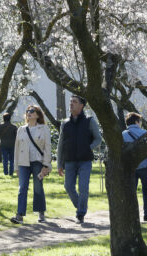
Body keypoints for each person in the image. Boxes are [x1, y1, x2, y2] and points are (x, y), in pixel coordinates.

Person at [57, 94, 103, 224]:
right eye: (70, 101)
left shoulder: (89, 121)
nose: (71, 104)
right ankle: (81, 206)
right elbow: (61, 145)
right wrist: (59, 164)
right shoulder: (65, 123)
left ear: (82, 105)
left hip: (85, 160)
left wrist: (89, 148)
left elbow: (98, 139)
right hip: (69, 161)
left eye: (74, 102)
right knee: (68, 186)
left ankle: (80, 213)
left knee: (83, 187)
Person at [10, 105, 52, 224]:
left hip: (38, 162)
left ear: (38, 115)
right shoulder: (21, 129)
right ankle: (20, 215)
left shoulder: (43, 128)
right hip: (23, 163)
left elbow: (48, 148)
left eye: (32, 111)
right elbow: (16, 149)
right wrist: (16, 167)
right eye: (27, 111)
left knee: (38, 187)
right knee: (22, 188)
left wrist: (46, 165)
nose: (29, 113)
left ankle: (41, 212)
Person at [122, 112, 147, 221]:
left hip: (130, 166)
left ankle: (131, 214)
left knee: (132, 190)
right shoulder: (144, 133)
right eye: (140, 121)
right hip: (145, 164)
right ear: (137, 122)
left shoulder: (122, 134)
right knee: (146, 190)